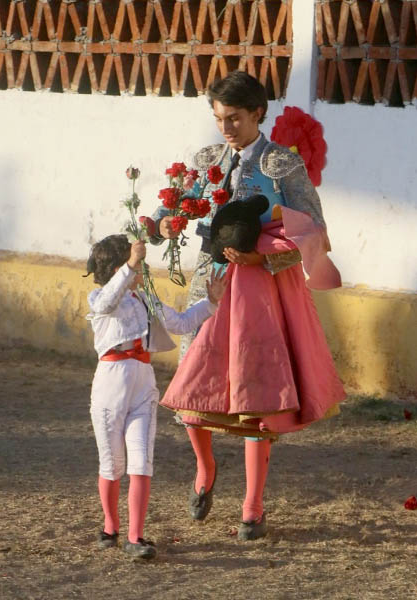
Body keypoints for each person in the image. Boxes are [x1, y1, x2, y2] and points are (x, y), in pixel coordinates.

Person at [151, 71, 345, 541]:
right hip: (211, 283)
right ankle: (205, 469)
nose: (225, 129)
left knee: (259, 394)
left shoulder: (283, 166)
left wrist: (263, 257)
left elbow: (315, 233)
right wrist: (162, 223)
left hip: (261, 288)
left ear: (258, 113)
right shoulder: (205, 162)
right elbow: (170, 209)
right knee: (192, 384)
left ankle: (253, 506)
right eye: (218, 118)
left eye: (234, 118)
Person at [85, 234, 227, 559]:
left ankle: (135, 536)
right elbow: (107, 302)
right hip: (110, 382)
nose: (141, 270)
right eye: (135, 265)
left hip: (143, 384)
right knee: (112, 463)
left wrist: (211, 303)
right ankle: (110, 527)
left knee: (141, 462)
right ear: (121, 266)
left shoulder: (145, 298)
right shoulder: (99, 297)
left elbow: (179, 324)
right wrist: (131, 264)